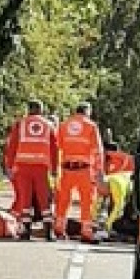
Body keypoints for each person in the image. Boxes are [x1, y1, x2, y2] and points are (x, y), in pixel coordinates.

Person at [3, 100, 58, 238]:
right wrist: (55, 168)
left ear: (28, 110)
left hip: (22, 166)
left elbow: (12, 146)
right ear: (41, 110)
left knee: (25, 199)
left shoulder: (20, 124)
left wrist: (9, 166)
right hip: (41, 167)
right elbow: (54, 148)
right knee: (44, 199)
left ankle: (26, 230)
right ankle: (48, 231)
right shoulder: (49, 125)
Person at [55, 102, 105, 243]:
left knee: (63, 200)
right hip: (84, 169)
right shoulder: (91, 126)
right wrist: (99, 171)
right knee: (87, 201)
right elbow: (97, 151)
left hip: (66, 168)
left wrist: (56, 169)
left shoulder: (64, 125)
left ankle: (59, 229)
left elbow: (57, 147)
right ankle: (86, 232)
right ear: (87, 111)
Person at [101, 139, 135, 231]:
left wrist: (107, 225)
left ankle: (113, 225)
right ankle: (114, 224)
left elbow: (118, 206)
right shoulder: (124, 157)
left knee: (117, 206)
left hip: (124, 184)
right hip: (129, 181)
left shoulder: (107, 156)